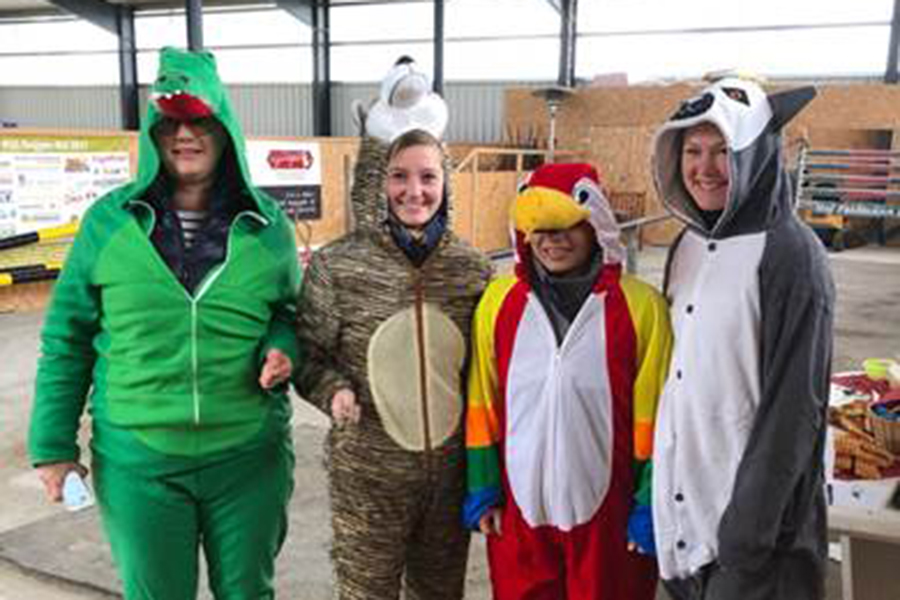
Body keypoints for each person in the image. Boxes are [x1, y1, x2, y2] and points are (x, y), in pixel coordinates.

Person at [29, 47, 301, 600]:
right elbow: (67, 340)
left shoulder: (267, 225)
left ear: (224, 129)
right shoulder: (107, 224)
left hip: (248, 458)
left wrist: (283, 346)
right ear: (153, 130)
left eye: (200, 121)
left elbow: (292, 315)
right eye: (170, 122)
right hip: (139, 461)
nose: (185, 135)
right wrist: (54, 446)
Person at [295, 57, 492, 600]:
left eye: (428, 177)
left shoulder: (472, 271)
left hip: (450, 477)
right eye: (399, 176)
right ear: (376, 182)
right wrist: (333, 390)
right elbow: (308, 353)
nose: (414, 191)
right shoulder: (338, 266)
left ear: (445, 182)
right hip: (368, 477)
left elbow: (488, 371)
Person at [650, 76, 835, 600]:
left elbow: (795, 408)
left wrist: (747, 535)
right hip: (683, 519)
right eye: (693, 151)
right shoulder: (685, 246)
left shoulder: (791, 255)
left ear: (756, 154)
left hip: (756, 542)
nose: (705, 168)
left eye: (724, 151)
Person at [463, 162, 672, 600]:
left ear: (595, 224)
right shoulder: (498, 303)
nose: (552, 240)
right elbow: (482, 403)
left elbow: (658, 419)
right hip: (520, 517)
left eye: (567, 226)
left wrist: (650, 501)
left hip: (611, 521)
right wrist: (484, 485)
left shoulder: (641, 307)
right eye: (540, 228)